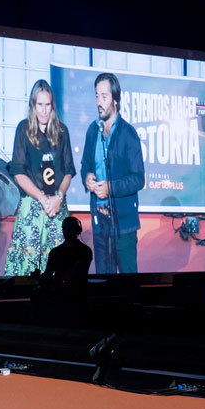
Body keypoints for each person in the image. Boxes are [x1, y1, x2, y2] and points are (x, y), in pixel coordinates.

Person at [5, 79, 76, 275]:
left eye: (48, 105)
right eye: (40, 105)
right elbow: (18, 173)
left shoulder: (62, 131)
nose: (44, 111)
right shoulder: (23, 129)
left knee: (59, 270)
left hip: (57, 206)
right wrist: (42, 198)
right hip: (33, 207)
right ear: (33, 105)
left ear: (52, 106)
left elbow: (68, 171)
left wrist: (58, 197)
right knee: (27, 273)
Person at [80, 72, 145, 274]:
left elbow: (138, 179)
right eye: (97, 96)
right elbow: (85, 165)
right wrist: (87, 177)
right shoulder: (92, 131)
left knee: (128, 284)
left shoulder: (128, 134)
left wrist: (110, 188)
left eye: (104, 96)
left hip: (124, 225)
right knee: (103, 284)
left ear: (115, 100)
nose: (99, 102)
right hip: (100, 224)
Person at [44, 215, 92, 292]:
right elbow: (48, 273)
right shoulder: (55, 252)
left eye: (70, 228)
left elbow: (75, 273)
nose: (66, 231)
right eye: (64, 228)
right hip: (59, 295)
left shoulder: (85, 251)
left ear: (77, 230)